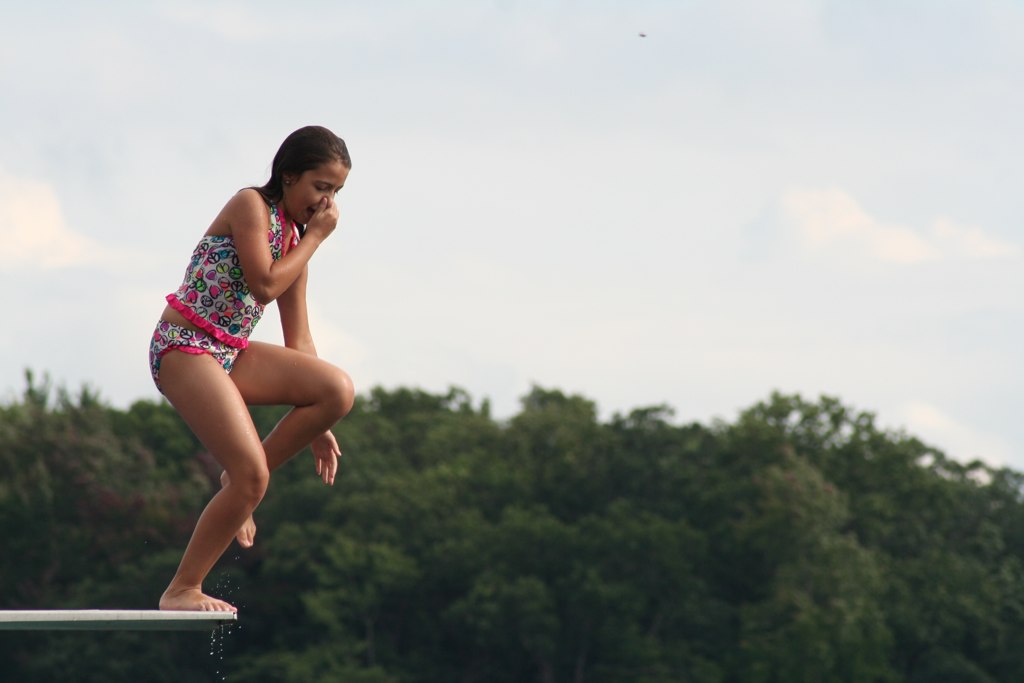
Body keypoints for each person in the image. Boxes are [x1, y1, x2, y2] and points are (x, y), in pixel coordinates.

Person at [149, 126, 355, 612]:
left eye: (337, 192)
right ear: (288, 176)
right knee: (253, 477)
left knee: (337, 391)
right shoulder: (250, 206)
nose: (326, 203)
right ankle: (180, 589)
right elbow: (263, 284)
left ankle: (236, 483)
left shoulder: (295, 242)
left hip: (229, 352)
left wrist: (317, 420)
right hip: (184, 345)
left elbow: (299, 337)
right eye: (321, 187)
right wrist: (317, 242)